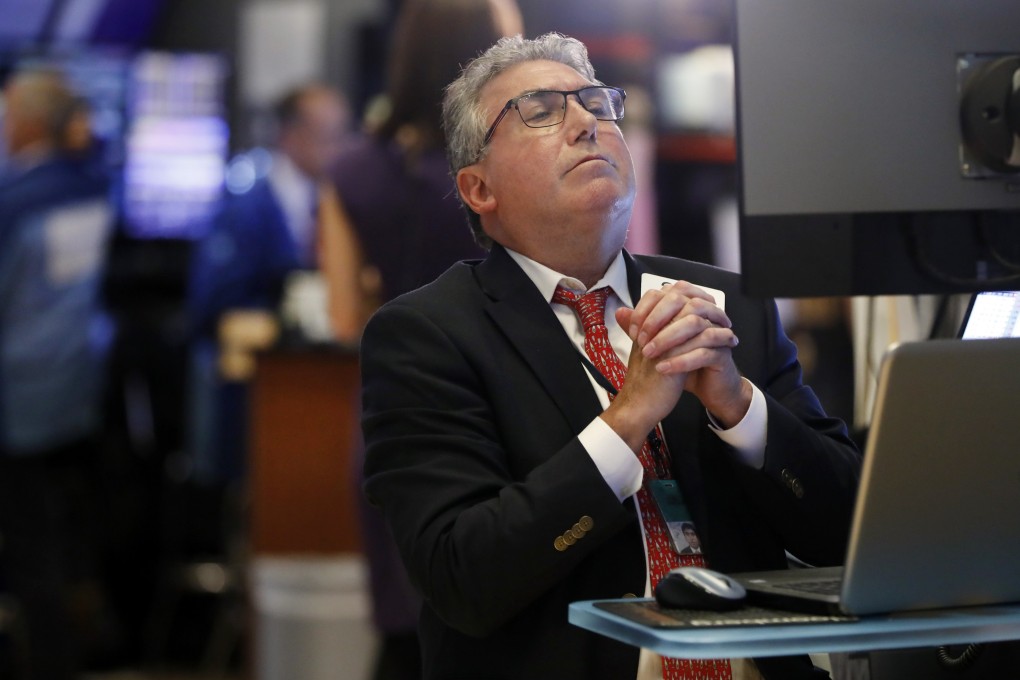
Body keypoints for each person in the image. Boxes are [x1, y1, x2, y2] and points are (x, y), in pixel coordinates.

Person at [359, 33, 863, 680]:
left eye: (597, 103)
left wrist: (740, 409)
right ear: (479, 188)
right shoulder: (427, 335)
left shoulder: (725, 304)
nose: (585, 123)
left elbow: (849, 536)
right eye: (540, 110)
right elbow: (465, 581)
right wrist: (626, 421)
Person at [316, 1, 522, 678]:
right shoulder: (506, 170)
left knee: (408, 630)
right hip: (510, 411)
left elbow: (346, 317)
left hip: (393, 423)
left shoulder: (351, 172)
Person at [0, 67, 116, 680]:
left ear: (22, 122)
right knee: (67, 533)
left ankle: (47, 661)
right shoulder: (92, 185)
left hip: (17, 393)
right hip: (74, 382)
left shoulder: (12, 203)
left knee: (30, 544)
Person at [187, 83, 350, 484]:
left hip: (319, 383)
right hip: (256, 389)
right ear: (290, 135)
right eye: (328, 136)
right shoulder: (246, 209)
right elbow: (211, 305)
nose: (339, 149)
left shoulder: (334, 201)